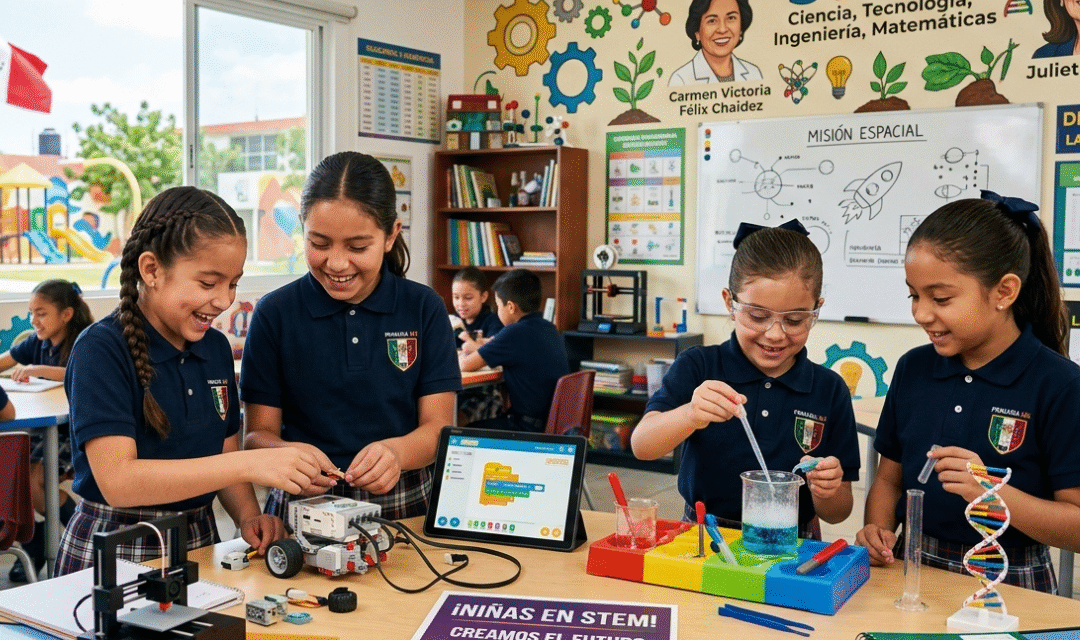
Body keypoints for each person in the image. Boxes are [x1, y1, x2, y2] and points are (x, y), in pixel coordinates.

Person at [56, 186, 323, 575]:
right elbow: (120, 481)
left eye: (232, 283)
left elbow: (225, 451)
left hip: (197, 540)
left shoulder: (214, 349)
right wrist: (252, 463)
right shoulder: (101, 350)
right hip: (115, 546)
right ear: (151, 270)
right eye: (208, 283)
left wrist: (249, 515)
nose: (223, 300)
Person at [856, 192, 1080, 594]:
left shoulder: (1060, 385)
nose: (921, 313)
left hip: (1011, 581)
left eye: (941, 298)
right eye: (914, 295)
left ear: (1004, 292)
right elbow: (889, 481)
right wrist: (876, 530)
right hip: (913, 571)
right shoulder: (914, 368)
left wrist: (992, 495)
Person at [242, 151, 460, 521]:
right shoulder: (275, 313)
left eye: (358, 247)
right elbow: (256, 435)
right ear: (301, 227)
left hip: (403, 502)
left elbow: (439, 426)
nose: (337, 263)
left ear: (392, 234)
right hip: (302, 503)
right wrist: (290, 457)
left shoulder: (423, 308)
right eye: (319, 244)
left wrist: (396, 453)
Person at [631, 221, 859, 535]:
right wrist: (691, 414)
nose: (775, 334)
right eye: (757, 315)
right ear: (729, 302)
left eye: (794, 320)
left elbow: (838, 513)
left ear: (816, 309)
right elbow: (642, 445)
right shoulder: (699, 365)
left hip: (791, 540)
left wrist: (828, 490)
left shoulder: (829, 389)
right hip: (706, 535)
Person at [0, 279, 92, 581]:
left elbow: (78, 373)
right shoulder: (35, 343)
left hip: (71, 432)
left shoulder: (84, 341)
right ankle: (39, 540)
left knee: (34, 481)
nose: (33, 320)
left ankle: (79, 540)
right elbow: (5, 361)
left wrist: (38, 370)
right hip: (41, 432)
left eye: (41, 313)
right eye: (31, 313)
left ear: (65, 314)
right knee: (23, 475)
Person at [460, 268, 568, 433]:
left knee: (459, 430)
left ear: (510, 306)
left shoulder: (514, 332)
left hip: (526, 428)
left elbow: (465, 366)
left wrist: (463, 353)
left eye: (498, 306)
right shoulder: (549, 328)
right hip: (549, 424)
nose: (497, 312)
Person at [669, 0, 762, 86]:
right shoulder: (681, 80)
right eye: (712, 21)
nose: (722, 29)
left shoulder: (754, 73)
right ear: (697, 32)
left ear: (741, 27)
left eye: (731, 18)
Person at [451, 266, 503, 355]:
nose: (461, 303)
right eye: (456, 297)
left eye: (468, 298)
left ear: (483, 297)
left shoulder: (493, 321)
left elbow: (497, 349)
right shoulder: (452, 321)